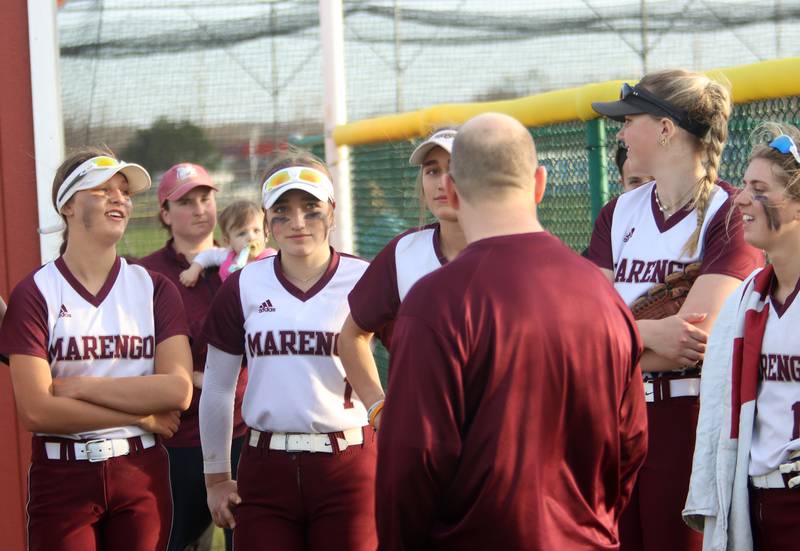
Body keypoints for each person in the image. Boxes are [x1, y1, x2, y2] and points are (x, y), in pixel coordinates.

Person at [376, 113, 648, 550]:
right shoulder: (602, 294)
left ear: (456, 194)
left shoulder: (435, 301)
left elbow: (412, 461)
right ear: (539, 184)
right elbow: (630, 442)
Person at [589, 70, 764, 551]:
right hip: (616, 413)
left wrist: (608, 342)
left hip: (686, 416)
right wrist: (646, 337)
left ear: (666, 128)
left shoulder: (730, 212)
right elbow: (581, 332)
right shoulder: (618, 212)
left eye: (630, 120)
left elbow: (691, 342)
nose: (621, 132)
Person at [0, 148, 193, 551]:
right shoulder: (35, 293)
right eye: (103, 189)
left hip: (141, 473)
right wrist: (143, 415)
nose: (119, 198)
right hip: (63, 473)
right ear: (68, 204)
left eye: (124, 192)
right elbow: (36, 411)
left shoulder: (155, 289)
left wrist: (80, 386)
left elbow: (177, 391)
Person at [200, 149, 377, 551]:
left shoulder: (366, 279)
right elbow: (217, 388)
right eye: (282, 210)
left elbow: (409, 361)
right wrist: (216, 477)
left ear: (332, 211)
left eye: (311, 208)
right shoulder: (243, 285)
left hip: (347, 464)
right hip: (265, 465)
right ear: (265, 219)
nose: (297, 222)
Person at [684, 123, 800, 551]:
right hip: (753, 500)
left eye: (760, 188)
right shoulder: (748, 297)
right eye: (745, 185)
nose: (742, 198)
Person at [138, 162, 249, 551]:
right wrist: (193, 379)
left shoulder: (247, 266)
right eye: (186, 201)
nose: (200, 208)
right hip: (178, 439)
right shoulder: (145, 275)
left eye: (206, 198)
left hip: (242, 430)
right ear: (165, 214)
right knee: (178, 542)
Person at [340, 127, 467, 430]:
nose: (442, 183)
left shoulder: (510, 253)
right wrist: (376, 408)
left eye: (455, 169)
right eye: (432, 171)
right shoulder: (404, 252)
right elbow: (351, 336)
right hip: (421, 439)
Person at [179, 199, 277, 287]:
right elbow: (207, 255)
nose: (251, 237)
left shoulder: (272, 259)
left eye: (256, 231)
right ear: (228, 240)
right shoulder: (227, 256)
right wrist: (194, 269)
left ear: (266, 233)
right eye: (241, 233)